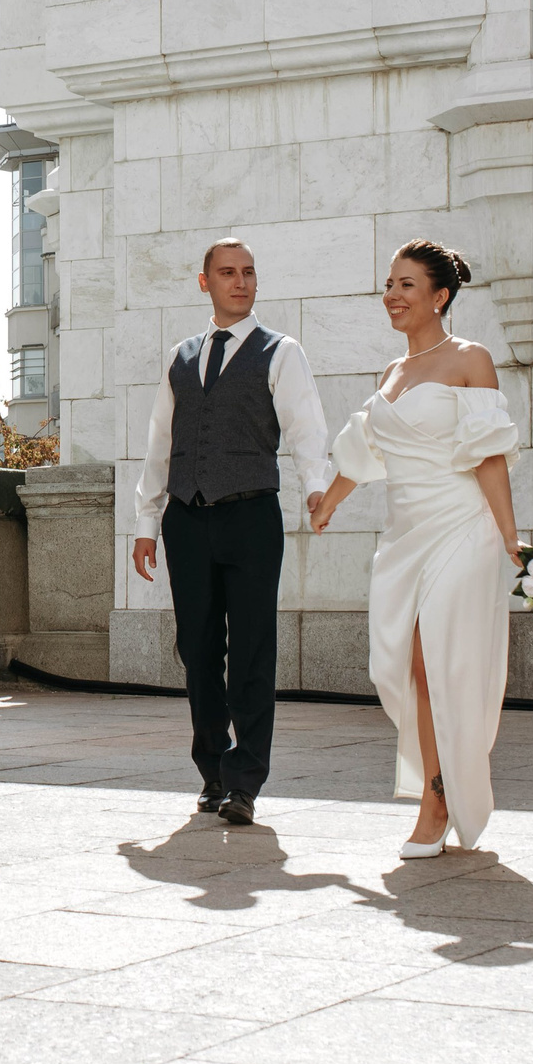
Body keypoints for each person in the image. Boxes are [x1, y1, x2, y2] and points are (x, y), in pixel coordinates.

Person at [310, 238, 519, 857]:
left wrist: (510, 536)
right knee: (399, 667)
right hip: (405, 536)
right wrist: (329, 501)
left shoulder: (470, 359)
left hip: (461, 528)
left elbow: (488, 454)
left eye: (406, 285)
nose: (392, 295)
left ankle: (437, 800)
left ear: (440, 296)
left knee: (436, 662)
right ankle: (442, 783)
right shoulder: (392, 374)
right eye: (389, 284)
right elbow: (366, 451)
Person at [129, 238, 331, 827]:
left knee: (250, 652)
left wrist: (317, 488)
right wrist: (146, 522)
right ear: (205, 282)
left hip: (250, 516)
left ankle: (244, 782)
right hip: (186, 519)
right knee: (197, 651)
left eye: (248, 272)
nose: (240, 282)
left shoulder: (280, 351)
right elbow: (161, 442)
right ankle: (213, 771)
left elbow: (306, 427)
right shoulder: (181, 356)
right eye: (227, 273)